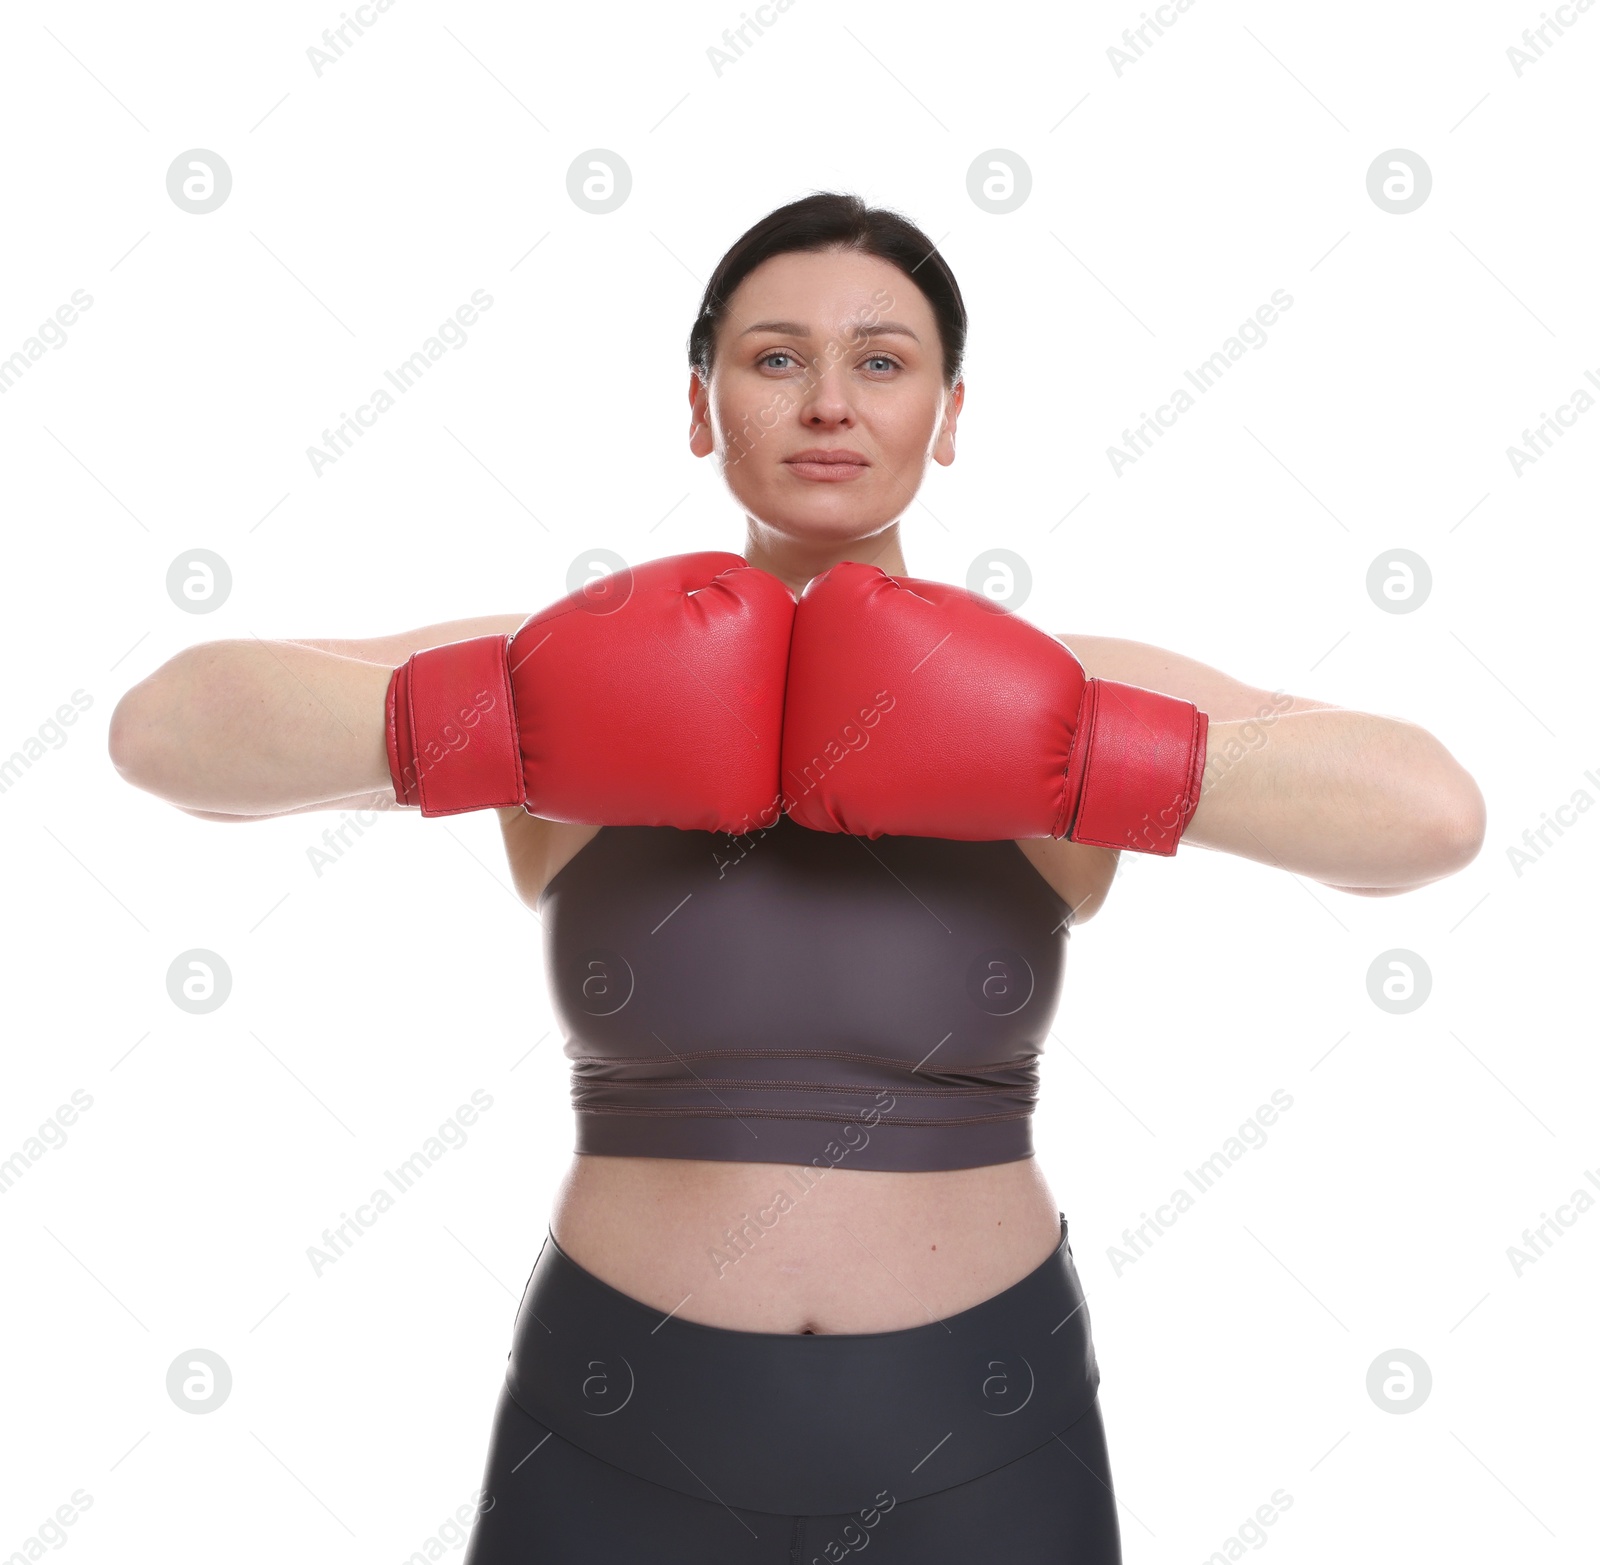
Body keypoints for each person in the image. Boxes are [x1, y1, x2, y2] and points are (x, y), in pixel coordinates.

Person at [108, 192, 1486, 1562]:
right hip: (617, 1423)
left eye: (882, 362)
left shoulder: (1067, 692)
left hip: (984, 1427)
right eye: (776, 358)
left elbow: (1432, 816)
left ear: (949, 417)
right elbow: (166, 734)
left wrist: (1086, 756)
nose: (830, 401)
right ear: (702, 407)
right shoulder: (553, 671)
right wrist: (505, 718)